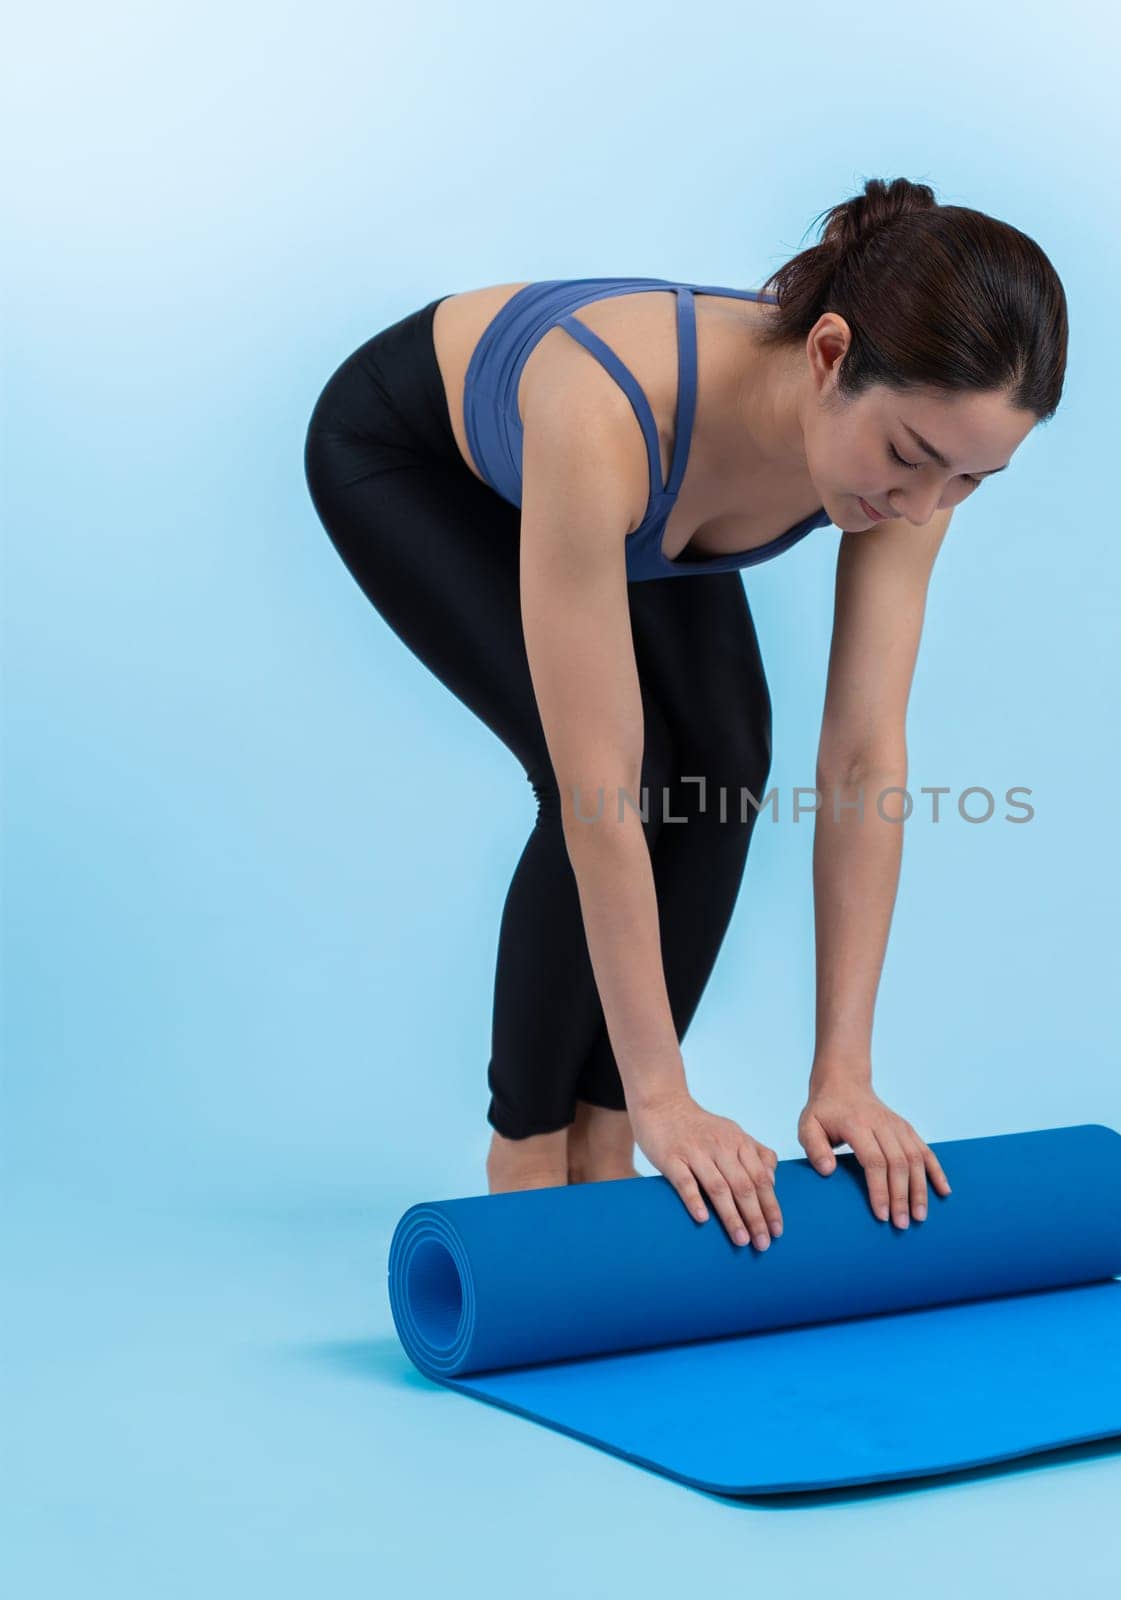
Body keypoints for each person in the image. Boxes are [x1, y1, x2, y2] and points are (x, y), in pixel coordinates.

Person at [302, 176, 1068, 1251]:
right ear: (829, 355)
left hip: (638, 498)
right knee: (621, 775)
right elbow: (598, 790)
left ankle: (604, 1136)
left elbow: (860, 761)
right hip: (417, 458)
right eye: (905, 458)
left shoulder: (921, 460)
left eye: (970, 480)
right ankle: (525, 1160)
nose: (922, 505)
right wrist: (673, 1093)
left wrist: (842, 1074)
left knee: (722, 761)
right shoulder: (605, 409)